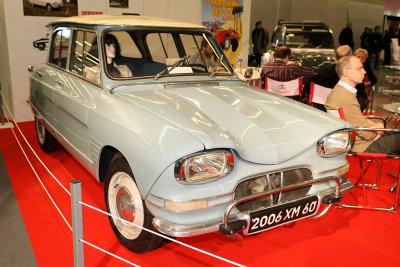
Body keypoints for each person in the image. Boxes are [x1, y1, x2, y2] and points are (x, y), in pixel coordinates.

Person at [325, 55, 400, 154]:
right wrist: (378, 131)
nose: (364, 72)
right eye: (359, 68)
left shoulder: (342, 92)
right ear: (346, 72)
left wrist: (376, 125)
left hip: (358, 141)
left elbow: (356, 120)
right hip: (363, 146)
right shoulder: (345, 97)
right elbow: (365, 132)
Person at [301, 45, 352, 111]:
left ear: (335, 56)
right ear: (350, 58)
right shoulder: (351, 78)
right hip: (342, 113)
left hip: (319, 110)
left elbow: (306, 90)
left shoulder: (321, 74)